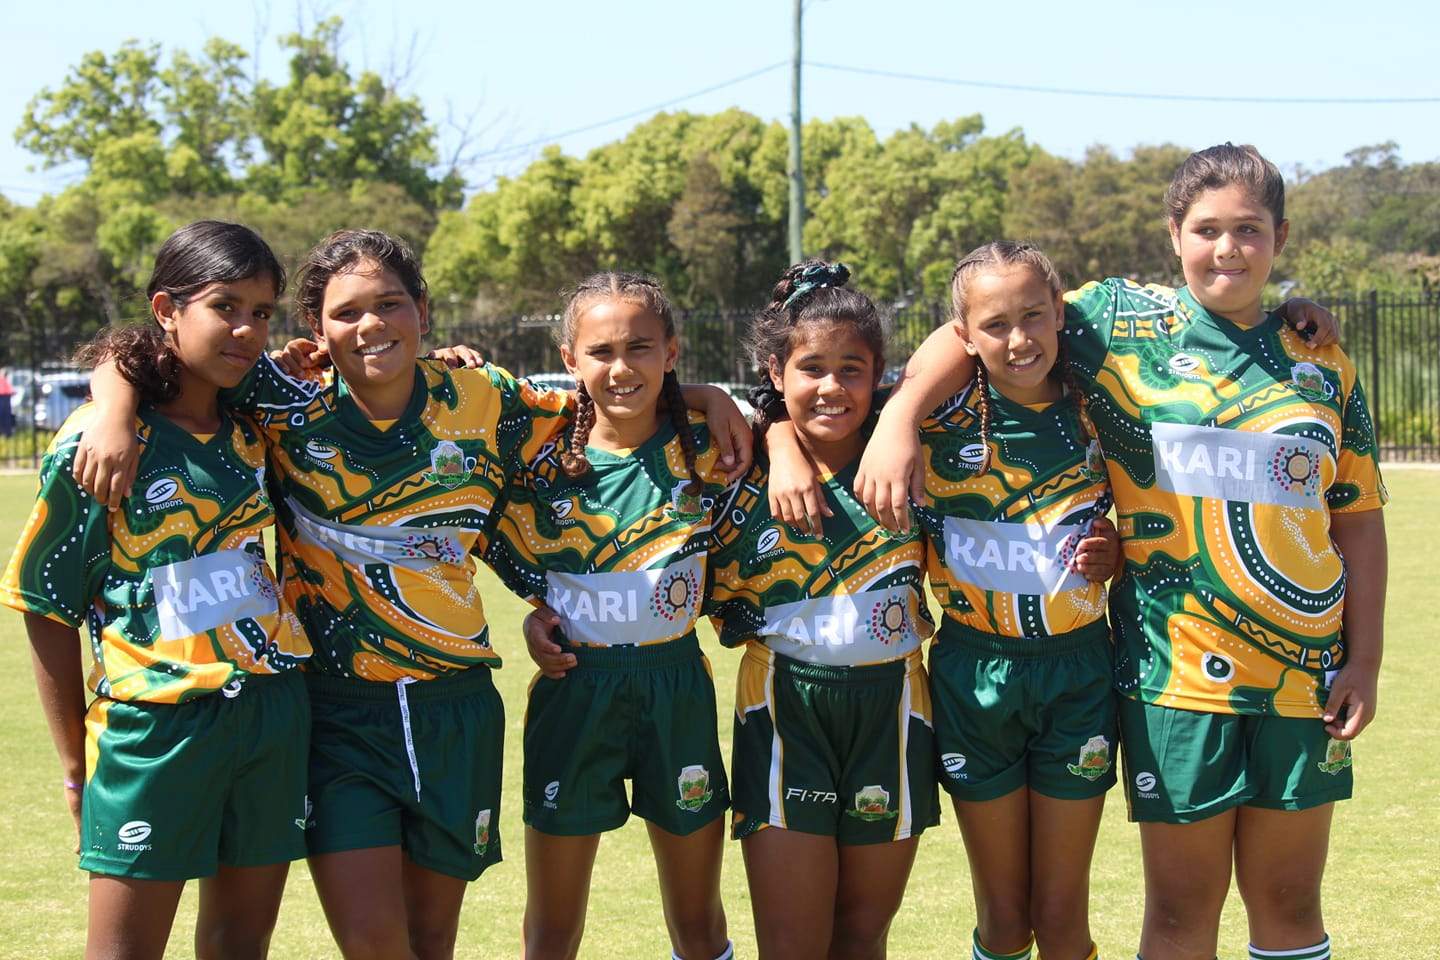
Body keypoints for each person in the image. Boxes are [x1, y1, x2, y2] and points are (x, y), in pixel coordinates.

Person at [76, 233, 751, 960]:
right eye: (348, 312)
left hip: (453, 709)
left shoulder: (487, 397)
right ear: (317, 331)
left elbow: (614, 402)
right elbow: (155, 356)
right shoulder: (280, 401)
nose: (371, 325)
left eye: (390, 303)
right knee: (375, 942)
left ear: (423, 310)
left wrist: (709, 399)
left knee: (433, 941)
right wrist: (113, 403)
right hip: (337, 715)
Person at [854, 145, 1383, 960]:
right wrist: (895, 420)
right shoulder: (1114, 322)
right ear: (1175, 235)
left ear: (1280, 235)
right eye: (1208, 229)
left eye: (1249, 229)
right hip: (1173, 673)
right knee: (1177, 914)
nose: (1228, 249)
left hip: (1304, 678)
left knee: (1288, 901)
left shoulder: (1323, 361)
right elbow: (987, 321)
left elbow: (1358, 521)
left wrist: (1366, 662)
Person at [763, 251, 1121, 960]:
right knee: (1004, 915)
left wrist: (1109, 547)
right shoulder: (936, 420)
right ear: (964, 332)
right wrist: (811, 435)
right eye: (994, 324)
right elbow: (796, 415)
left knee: (1062, 913)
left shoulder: (1101, 405)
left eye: (1033, 316)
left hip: (1078, 673)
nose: (1018, 339)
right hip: (972, 675)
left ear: (1059, 309)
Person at [0, 220, 312, 960]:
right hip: (153, 728)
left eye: (263, 312)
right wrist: (75, 765)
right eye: (225, 306)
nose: (246, 329)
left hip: (270, 710)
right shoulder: (99, 440)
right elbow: (47, 608)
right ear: (168, 308)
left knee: (242, 945)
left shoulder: (249, 419)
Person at [487, 272, 735, 960]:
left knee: (698, 920)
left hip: (676, 686)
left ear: (672, 351)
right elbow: (480, 521)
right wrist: (540, 611)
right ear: (569, 360)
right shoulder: (536, 459)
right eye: (600, 351)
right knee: (554, 926)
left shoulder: (711, 450)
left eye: (640, 348)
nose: (621, 368)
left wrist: (712, 399)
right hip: (575, 689)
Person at [706, 260, 941, 960]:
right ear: (776, 373)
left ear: (879, 376)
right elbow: (632, 396)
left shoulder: (914, 454)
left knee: (863, 938)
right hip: (784, 709)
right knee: (792, 944)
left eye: (852, 368)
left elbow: (965, 342)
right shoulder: (736, 459)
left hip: (895, 709)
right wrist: (774, 438)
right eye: (811, 367)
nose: (832, 387)